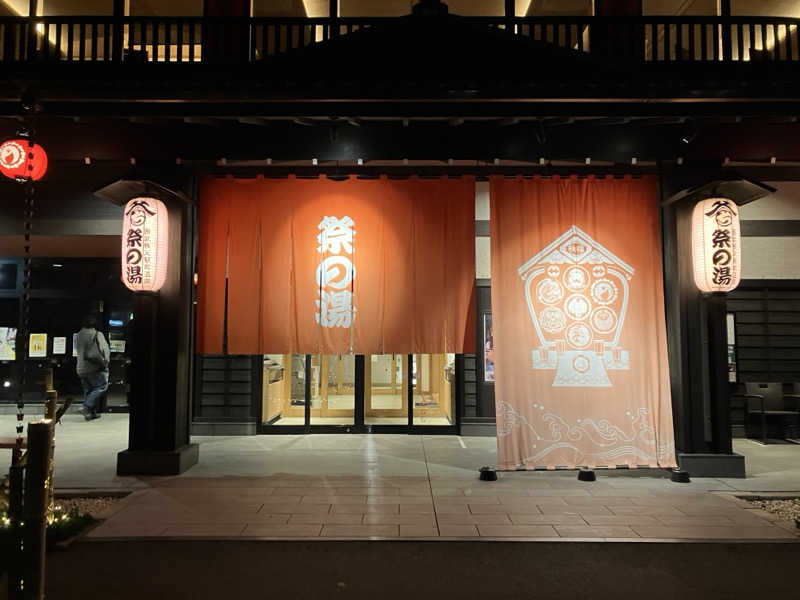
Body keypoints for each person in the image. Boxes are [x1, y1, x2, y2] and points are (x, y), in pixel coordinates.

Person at [76, 314, 110, 421]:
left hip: (81, 368)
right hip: (95, 367)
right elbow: (104, 349)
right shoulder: (97, 334)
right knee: (101, 387)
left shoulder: (79, 335)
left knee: (88, 390)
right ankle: (86, 407)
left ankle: (91, 413)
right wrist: (106, 361)